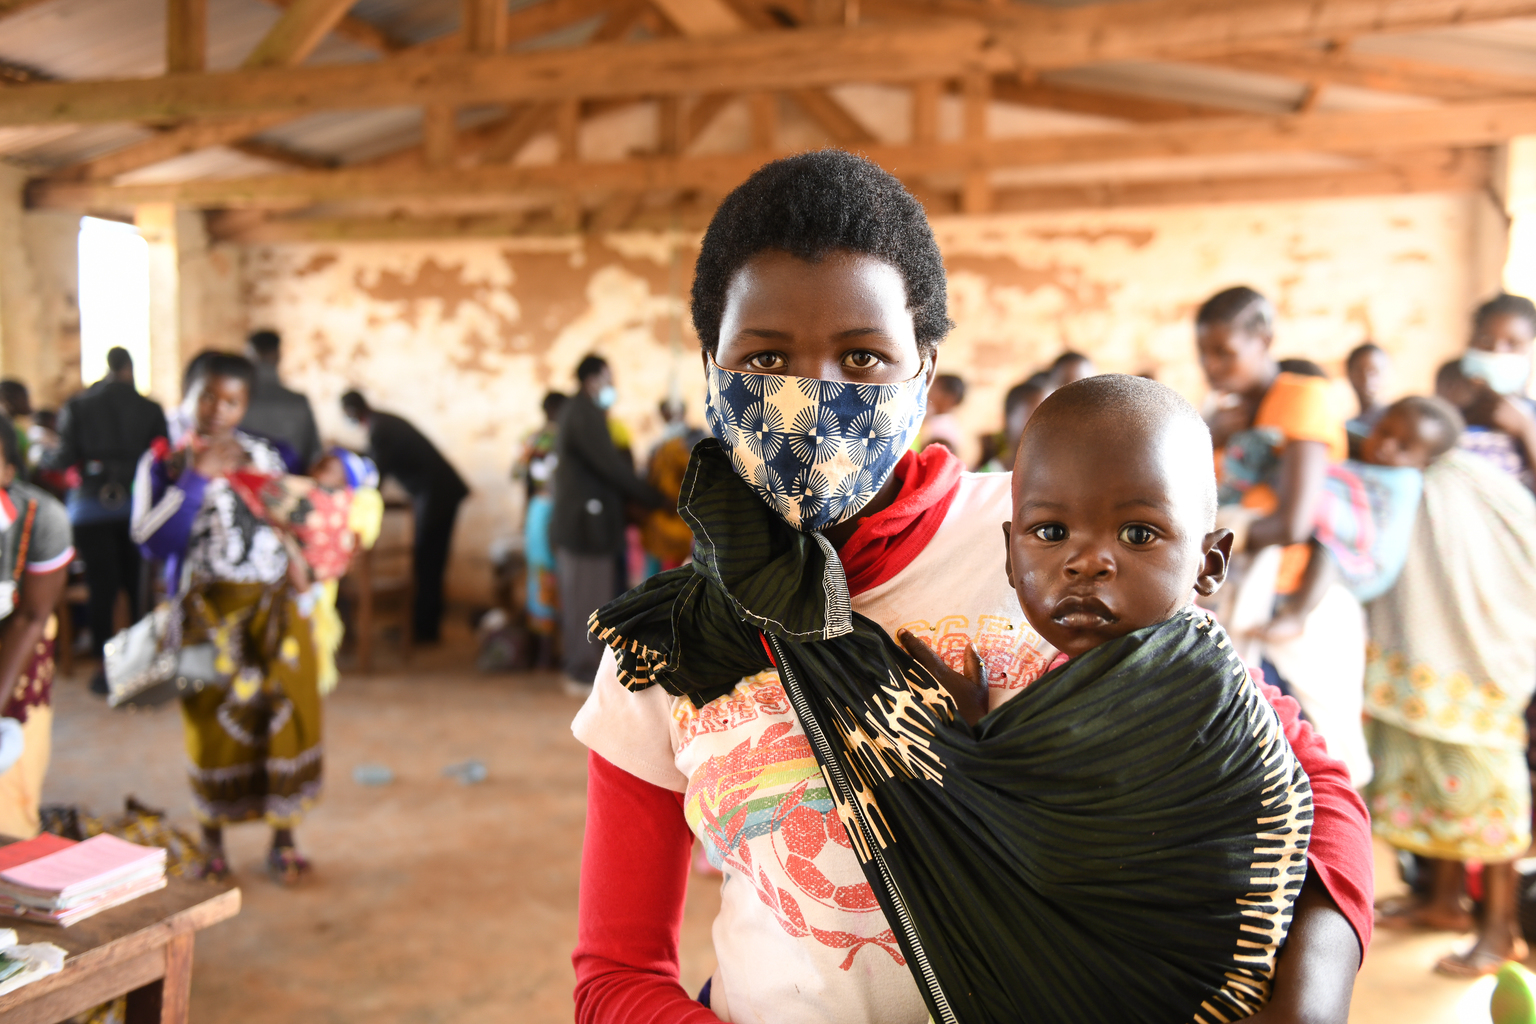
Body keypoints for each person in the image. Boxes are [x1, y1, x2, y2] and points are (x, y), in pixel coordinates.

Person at [570, 151, 1372, 1024]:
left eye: (863, 357)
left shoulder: (1055, 541)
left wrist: (1307, 1005)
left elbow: (1306, 784)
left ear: (924, 366)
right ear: (711, 366)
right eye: (765, 359)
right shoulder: (669, 643)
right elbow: (616, 974)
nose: (814, 398)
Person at [877, 375, 1311, 1019]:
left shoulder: (1200, 695)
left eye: (1138, 534)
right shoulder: (1054, 688)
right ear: (1009, 555)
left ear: (1210, 563)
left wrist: (971, 757)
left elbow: (1053, 848)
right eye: (1051, 532)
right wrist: (986, 732)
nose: (1086, 562)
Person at [130, 353, 321, 883]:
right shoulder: (164, 461)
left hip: (274, 609)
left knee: (284, 715)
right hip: (203, 614)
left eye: (232, 401)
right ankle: (212, 841)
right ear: (187, 395)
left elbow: (294, 520)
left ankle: (283, 837)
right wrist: (195, 479)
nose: (218, 409)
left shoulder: (268, 454)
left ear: (245, 405)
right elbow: (151, 542)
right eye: (208, 396)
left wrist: (306, 567)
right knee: (210, 722)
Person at [1364, 440, 1536, 976]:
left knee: (1490, 801)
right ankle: (1442, 901)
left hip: (1484, 665)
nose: (1384, 443)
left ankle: (1500, 930)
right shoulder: (1417, 486)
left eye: (1401, 435)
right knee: (1436, 786)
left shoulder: (1481, 486)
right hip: (1426, 666)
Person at [1196, 286, 1370, 786]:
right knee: (1261, 762)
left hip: (1296, 601)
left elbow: (1295, 521)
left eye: (1225, 352)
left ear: (1264, 340)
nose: (1212, 367)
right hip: (1239, 599)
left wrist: (1206, 545)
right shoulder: (1223, 416)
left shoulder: (1300, 397)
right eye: (1204, 353)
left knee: (1317, 759)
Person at [47, 347, 168, 692]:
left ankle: (106, 667)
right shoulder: (150, 408)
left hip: (90, 507)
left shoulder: (77, 406)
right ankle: (141, 664)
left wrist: (45, 456)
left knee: (101, 587)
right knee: (137, 587)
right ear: (130, 369)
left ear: (107, 368)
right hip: (138, 507)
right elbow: (163, 457)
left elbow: (63, 457)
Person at [552, 356, 664, 697]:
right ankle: (582, 671)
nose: (611, 385)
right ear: (592, 379)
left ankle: (586, 669)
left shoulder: (585, 412)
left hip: (592, 525)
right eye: (608, 378)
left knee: (591, 599)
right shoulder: (583, 414)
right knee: (586, 602)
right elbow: (611, 467)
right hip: (584, 528)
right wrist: (656, 498)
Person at [340, 391, 468, 644]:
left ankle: (424, 629)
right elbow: (374, 460)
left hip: (437, 495)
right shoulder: (382, 423)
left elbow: (375, 474)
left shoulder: (380, 428)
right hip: (437, 494)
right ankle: (422, 626)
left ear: (352, 412)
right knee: (428, 560)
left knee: (428, 561)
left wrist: (359, 503)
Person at [0, 414, 71, 838]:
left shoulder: (40, 520)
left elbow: (31, 617)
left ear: (8, 471)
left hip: (16, 645)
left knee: (11, 790)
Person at [1440, 294, 1536, 491]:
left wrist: (1525, 430)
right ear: (1469, 342)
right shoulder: (1442, 408)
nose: (1497, 351)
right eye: (1485, 340)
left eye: (1513, 344)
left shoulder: (1530, 418)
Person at [515, 392, 567, 667]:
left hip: (537, 510)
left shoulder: (531, 439)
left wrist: (525, 516)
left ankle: (542, 654)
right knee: (560, 577)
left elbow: (522, 480)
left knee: (539, 577)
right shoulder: (567, 438)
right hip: (560, 510)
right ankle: (554, 653)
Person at [640, 398, 705, 579]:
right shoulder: (661, 446)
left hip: (680, 523)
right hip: (665, 521)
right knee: (659, 575)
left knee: (670, 576)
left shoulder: (690, 444)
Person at [241, 330, 322, 473]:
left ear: (248, 356)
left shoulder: (237, 399)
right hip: (290, 480)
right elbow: (314, 454)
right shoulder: (299, 402)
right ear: (278, 356)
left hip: (243, 479)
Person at [977, 372, 1051, 472]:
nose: (1047, 425)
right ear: (1008, 419)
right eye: (1035, 416)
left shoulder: (1061, 475)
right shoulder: (988, 477)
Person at [1345, 342, 1391, 452]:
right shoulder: (1349, 427)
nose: (1366, 379)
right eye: (1359, 371)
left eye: (1374, 372)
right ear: (1349, 374)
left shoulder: (1393, 419)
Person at [917, 373, 965, 454]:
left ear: (949, 398)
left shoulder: (943, 431)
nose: (929, 391)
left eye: (935, 387)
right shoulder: (930, 418)